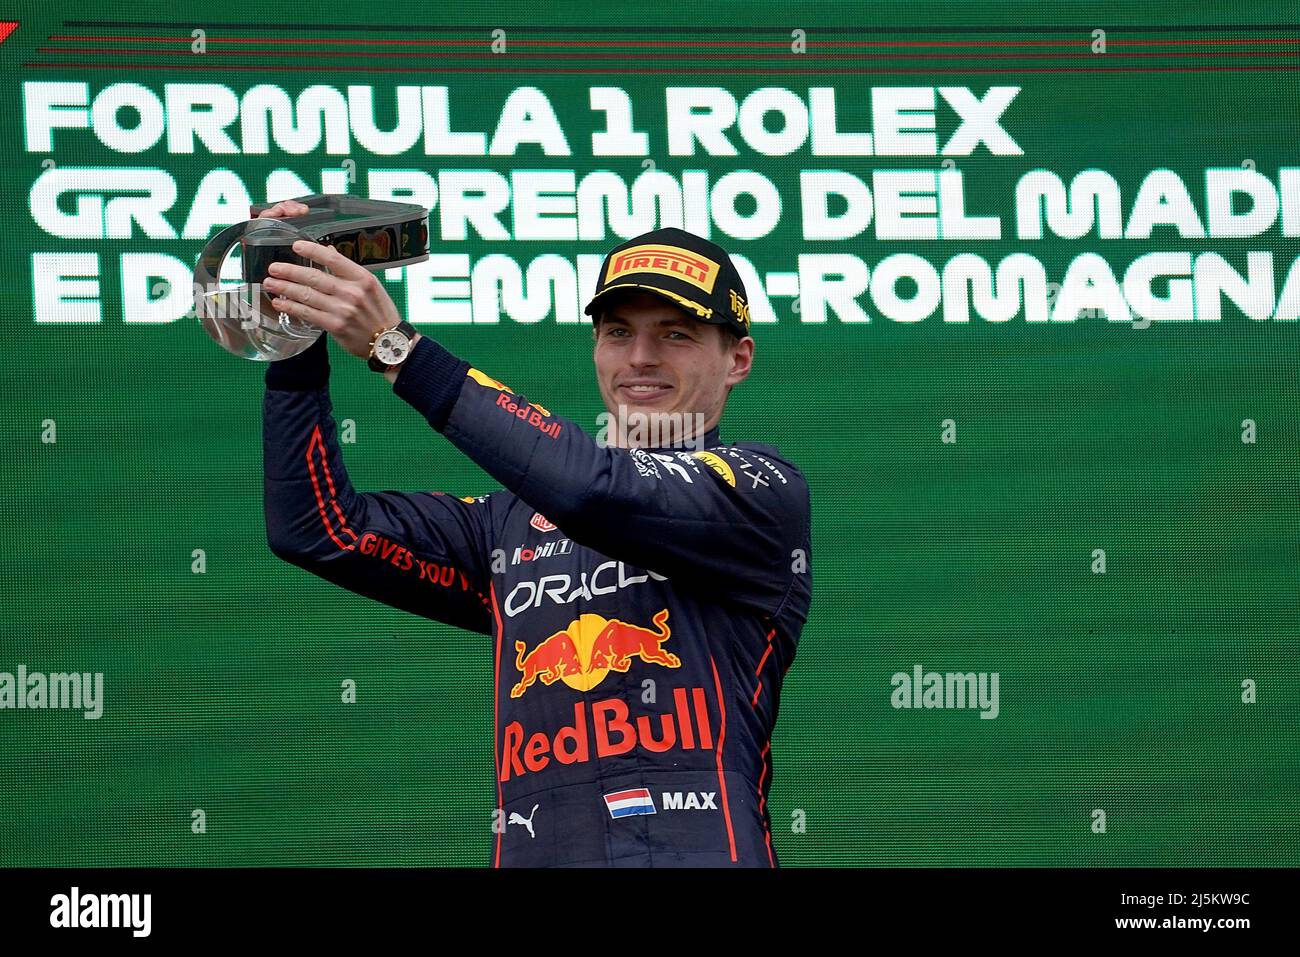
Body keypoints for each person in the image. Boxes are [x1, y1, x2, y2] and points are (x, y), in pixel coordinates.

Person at [259, 200, 813, 867]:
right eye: (617, 332)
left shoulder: (759, 491)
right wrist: (297, 342)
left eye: (676, 334)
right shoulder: (507, 523)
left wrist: (398, 350)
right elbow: (319, 527)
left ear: (739, 358)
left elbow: (592, 489)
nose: (640, 357)